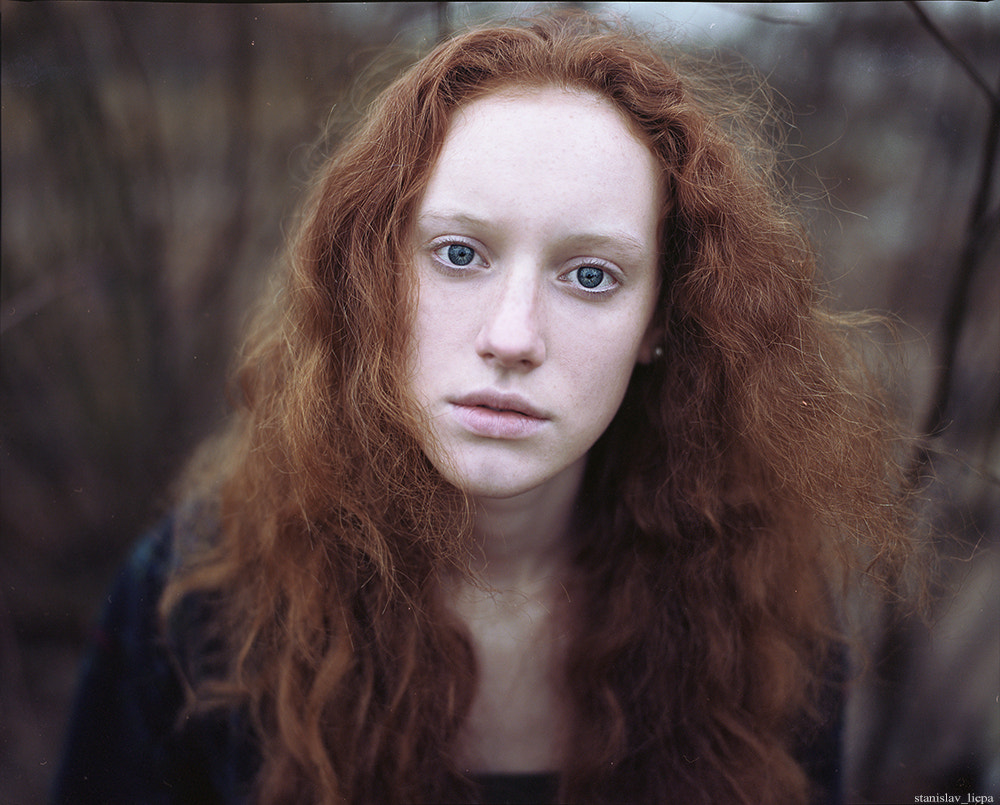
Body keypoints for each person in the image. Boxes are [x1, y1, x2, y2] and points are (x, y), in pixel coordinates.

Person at [54, 12, 921, 805]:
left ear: (659, 319)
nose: (513, 337)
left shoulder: (766, 621)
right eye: (460, 254)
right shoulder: (195, 602)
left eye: (590, 275)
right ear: (377, 276)